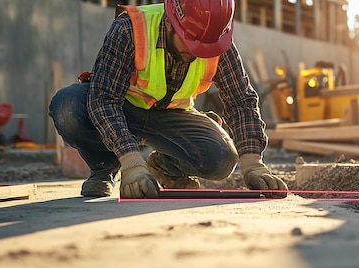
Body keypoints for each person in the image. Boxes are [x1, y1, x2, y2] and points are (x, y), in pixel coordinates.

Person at [48, 0, 288, 199]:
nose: (197, 53)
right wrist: (131, 162)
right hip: (123, 109)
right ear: (172, 22)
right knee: (68, 106)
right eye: (191, 42)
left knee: (222, 159)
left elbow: (241, 101)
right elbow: (103, 99)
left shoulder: (216, 41)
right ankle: (104, 168)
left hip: (174, 116)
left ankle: (165, 166)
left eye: (205, 47)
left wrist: (252, 161)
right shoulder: (130, 29)